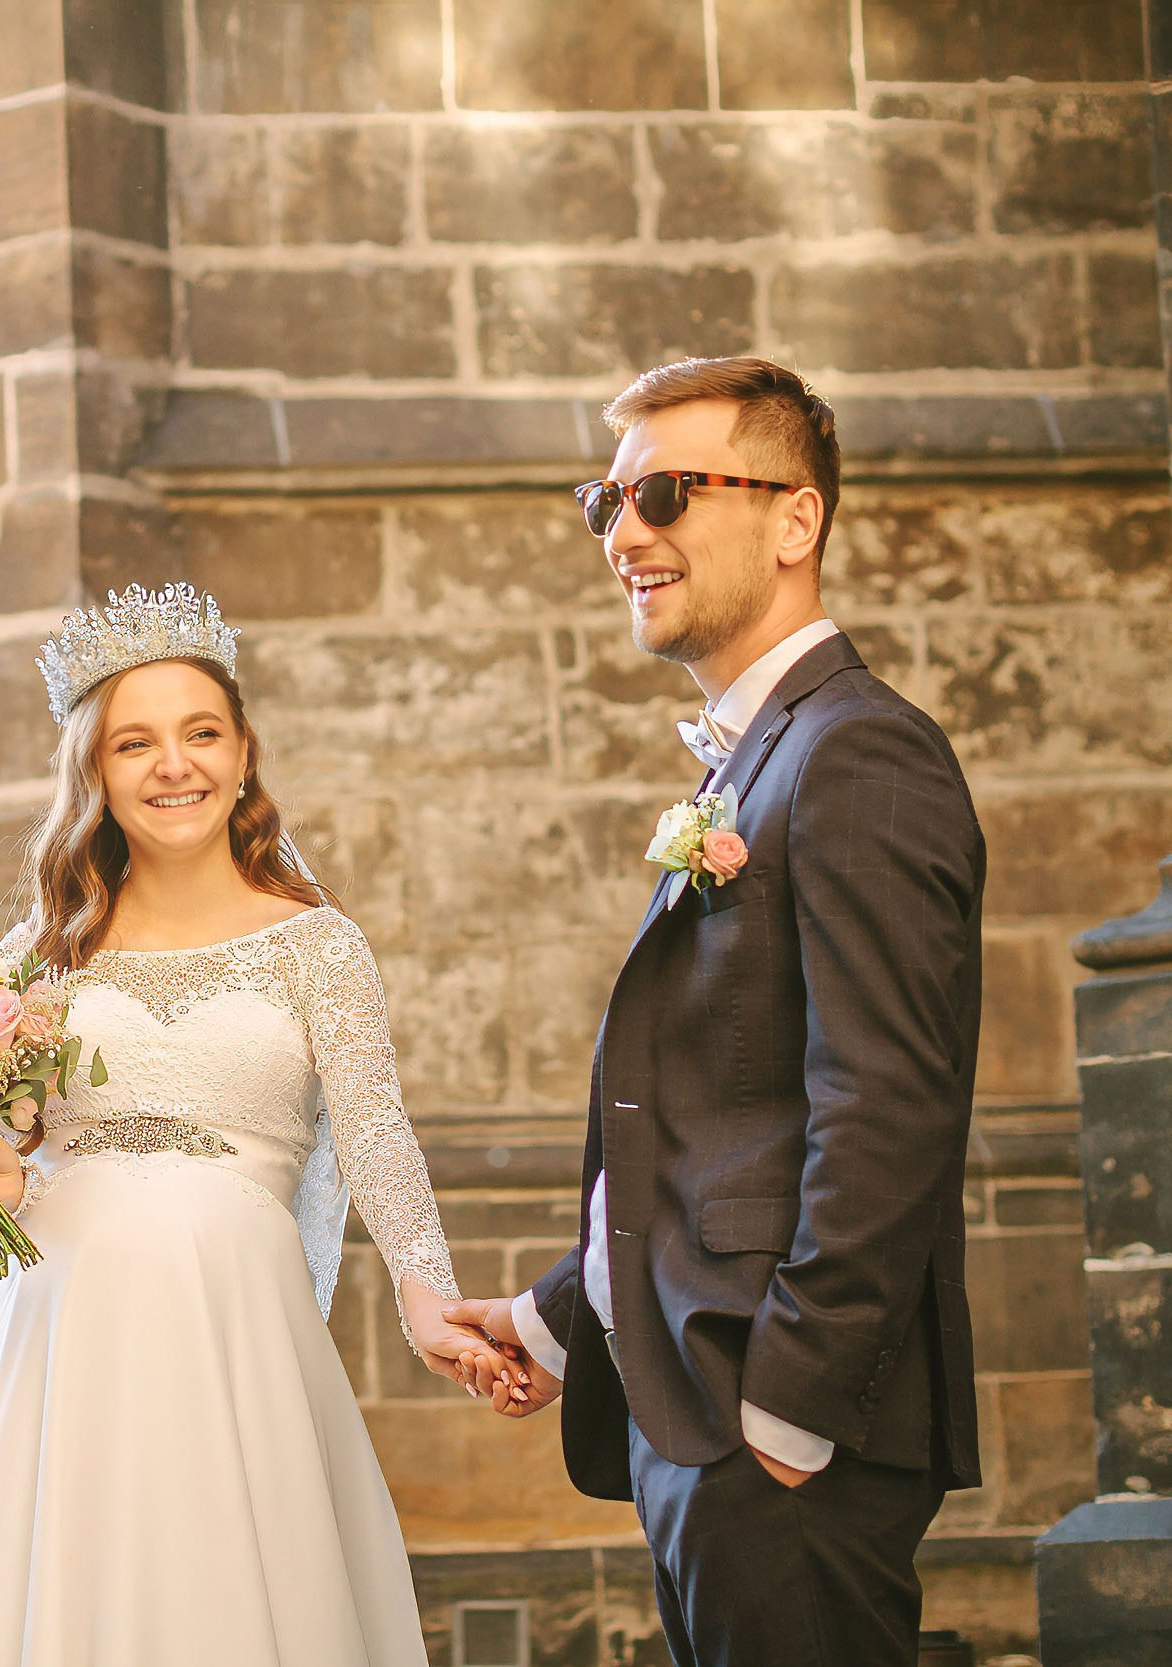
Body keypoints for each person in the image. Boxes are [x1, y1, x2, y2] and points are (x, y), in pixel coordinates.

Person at [444, 357, 987, 1667]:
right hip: (695, 1420)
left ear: (797, 519)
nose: (628, 534)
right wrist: (553, 1315)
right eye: (606, 502)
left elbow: (887, 1105)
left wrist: (791, 1408)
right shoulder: (764, 757)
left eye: (669, 494)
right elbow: (728, 1117)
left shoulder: (856, 750)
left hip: (776, 1430)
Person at [0, 583, 504, 1667]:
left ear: (243, 750)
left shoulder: (317, 945)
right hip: (70, 1320)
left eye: (200, 732)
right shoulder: (35, 956)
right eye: (135, 742)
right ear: (96, 773)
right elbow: (14, 1156)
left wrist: (425, 1291)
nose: (175, 764)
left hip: (235, 1317)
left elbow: (375, 1135)